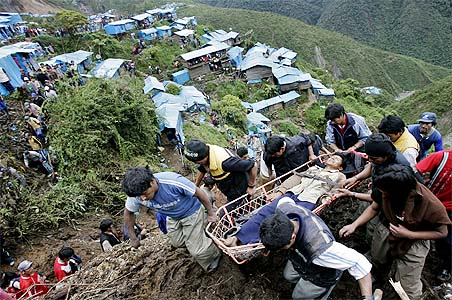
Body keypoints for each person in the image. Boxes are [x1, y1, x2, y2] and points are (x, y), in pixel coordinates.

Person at [339, 164, 450, 300]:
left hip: (415, 241)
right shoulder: (385, 187)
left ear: (399, 192)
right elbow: (374, 207)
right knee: (377, 260)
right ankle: (378, 281)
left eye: (385, 192)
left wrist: (409, 234)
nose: (382, 193)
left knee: (408, 287)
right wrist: (354, 225)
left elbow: (442, 233)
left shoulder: (431, 205)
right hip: (386, 229)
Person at [260, 198, 373, 300]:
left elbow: (359, 263)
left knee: (298, 297)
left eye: (282, 247)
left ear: (292, 237)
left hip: (321, 274)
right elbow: (285, 199)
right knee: (288, 276)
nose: (281, 250)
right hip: (301, 257)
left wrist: (368, 298)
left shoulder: (321, 248)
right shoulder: (284, 210)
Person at [224, 154, 347, 246]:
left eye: (336, 159)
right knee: (266, 211)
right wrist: (280, 191)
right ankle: (237, 238)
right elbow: (295, 179)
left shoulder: (339, 176)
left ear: (340, 167)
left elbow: (335, 190)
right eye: (332, 156)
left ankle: (255, 243)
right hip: (294, 193)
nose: (332, 158)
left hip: (309, 200)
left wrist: (326, 199)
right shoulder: (313, 169)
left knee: (284, 223)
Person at [122, 167, 221, 272]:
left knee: (197, 251)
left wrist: (211, 213)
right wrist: (133, 238)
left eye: (145, 193)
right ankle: (200, 236)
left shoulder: (172, 181)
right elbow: (128, 213)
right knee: (176, 242)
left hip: (192, 211)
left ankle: (214, 257)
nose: (143, 198)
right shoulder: (136, 192)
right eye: (139, 196)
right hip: (173, 216)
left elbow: (198, 192)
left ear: (152, 182)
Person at [185, 139, 257, 209]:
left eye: (197, 162)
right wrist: (196, 186)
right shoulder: (208, 152)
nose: (195, 163)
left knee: (226, 215)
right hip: (228, 187)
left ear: (205, 156)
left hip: (240, 190)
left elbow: (254, 165)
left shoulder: (226, 163)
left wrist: (251, 186)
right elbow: (202, 169)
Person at [416, 150, 452, 281]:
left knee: (446, 241)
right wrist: (423, 186)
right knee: (416, 226)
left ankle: (446, 267)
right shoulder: (442, 156)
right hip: (429, 201)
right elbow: (416, 170)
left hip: (449, 209)